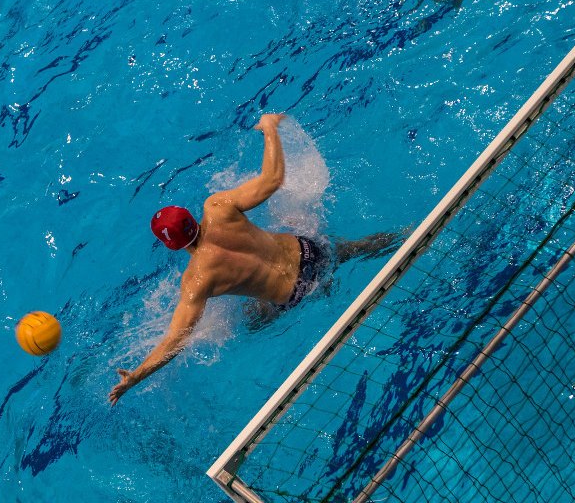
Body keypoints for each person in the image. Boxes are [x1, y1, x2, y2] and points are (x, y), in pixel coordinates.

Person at [108, 113, 400, 405]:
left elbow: (176, 340)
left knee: (251, 322)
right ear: (190, 216)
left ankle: (324, 291)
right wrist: (270, 127)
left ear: (171, 246)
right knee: (357, 247)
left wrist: (136, 376)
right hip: (311, 251)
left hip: (296, 294)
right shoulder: (218, 208)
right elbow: (272, 179)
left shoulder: (197, 280)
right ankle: (404, 237)